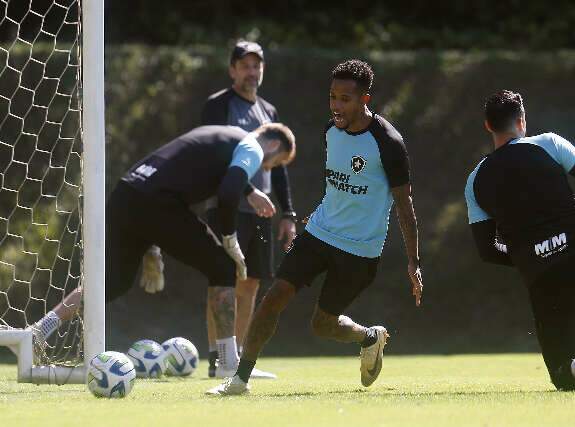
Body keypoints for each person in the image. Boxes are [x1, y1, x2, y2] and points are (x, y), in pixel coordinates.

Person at [208, 59, 423, 396]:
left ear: (365, 99)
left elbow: (404, 205)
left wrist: (413, 261)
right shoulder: (330, 131)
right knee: (273, 297)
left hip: (360, 249)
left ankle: (369, 337)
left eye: (345, 99)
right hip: (320, 234)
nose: (336, 105)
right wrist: (319, 215)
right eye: (333, 97)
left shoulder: (388, 143)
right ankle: (239, 380)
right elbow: (338, 185)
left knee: (322, 326)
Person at [32, 124, 296, 379]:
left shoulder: (223, 135)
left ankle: (38, 332)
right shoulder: (252, 147)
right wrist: (230, 239)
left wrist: (152, 244)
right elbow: (228, 192)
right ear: (272, 144)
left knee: (112, 283)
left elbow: (186, 169)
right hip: (157, 204)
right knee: (223, 267)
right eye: (271, 164)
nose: (264, 167)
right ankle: (228, 363)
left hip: (126, 195)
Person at [141, 40, 295, 379]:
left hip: (262, 213)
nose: (252, 72)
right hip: (227, 206)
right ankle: (218, 357)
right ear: (232, 70)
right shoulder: (218, 106)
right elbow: (217, 156)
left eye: (257, 65)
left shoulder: (269, 112)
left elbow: (279, 167)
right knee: (223, 279)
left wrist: (288, 214)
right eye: (245, 65)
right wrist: (250, 190)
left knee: (252, 283)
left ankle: (239, 360)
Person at [464, 90, 575, 392]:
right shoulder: (549, 143)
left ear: (487, 126)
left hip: (547, 279)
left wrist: (530, 255)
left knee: (564, 380)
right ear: (522, 120)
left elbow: (487, 250)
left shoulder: (475, 179)